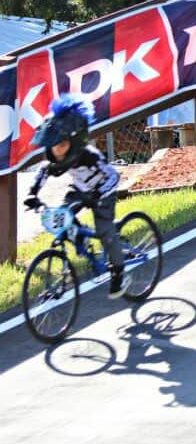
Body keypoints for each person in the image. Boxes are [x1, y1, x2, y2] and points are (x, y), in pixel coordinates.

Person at [23, 95, 127, 297]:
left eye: (62, 145)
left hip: (103, 192)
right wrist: (32, 194)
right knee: (63, 217)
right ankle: (84, 240)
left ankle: (118, 273)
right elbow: (44, 171)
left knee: (105, 232)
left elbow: (113, 177)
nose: (57, 151)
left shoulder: (90, 156)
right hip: (79, 190)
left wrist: (98, 194)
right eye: (54, 145)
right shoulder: (56, 158)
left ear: (75, 140)